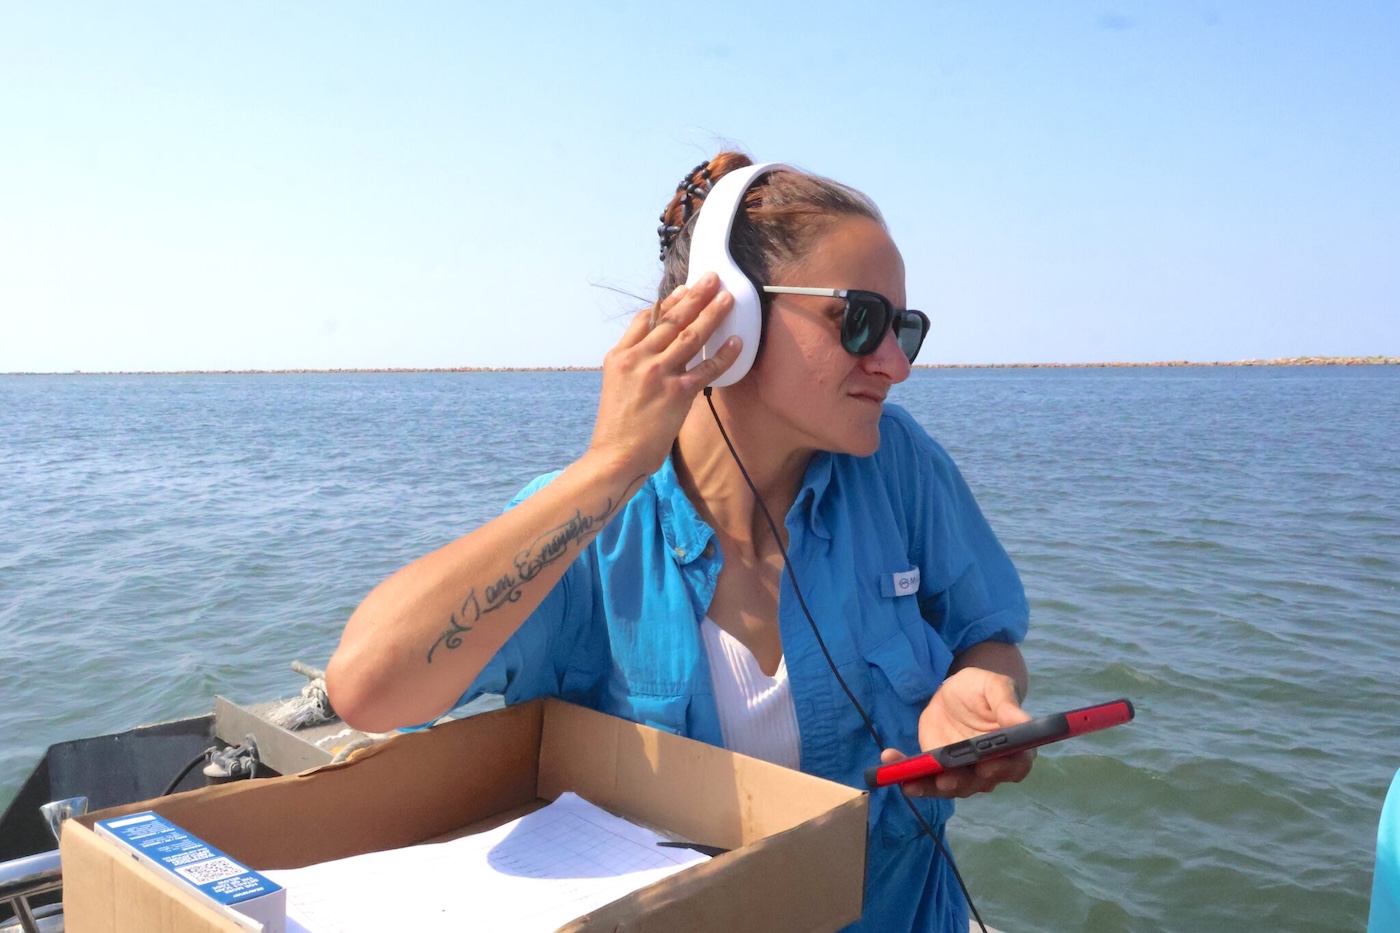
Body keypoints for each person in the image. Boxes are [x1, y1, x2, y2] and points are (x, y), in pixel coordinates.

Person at [326, 152, 1034, 932]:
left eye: (905, 328)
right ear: (732, 310)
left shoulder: (896, 465)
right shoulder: (594, 527)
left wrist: (976, 691)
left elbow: (986, 636)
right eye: (860, 319)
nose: (895, 363)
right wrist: (609, 466)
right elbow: (368, 687)